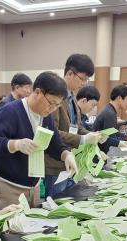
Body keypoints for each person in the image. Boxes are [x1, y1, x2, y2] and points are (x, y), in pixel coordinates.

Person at [0, 71, 78, 209]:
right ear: (37, 92)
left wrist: (66, 155)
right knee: (11, 227)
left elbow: (55, 144)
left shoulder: (45, 115)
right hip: (9, 185)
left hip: (33, 185)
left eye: (57, 106)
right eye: (51, 103)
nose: (52, 109)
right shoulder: (10, 111)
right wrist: (15, 144)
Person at [45, 53, 106, 198]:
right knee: (57, 205)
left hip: (70, 161)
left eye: (86, 80)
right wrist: (83, 140)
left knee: (68, 199)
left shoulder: (72, 97)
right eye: (82, 79)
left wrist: (93, 136)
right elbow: (53, 132)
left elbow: (77, 127)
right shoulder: (55, 97)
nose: (84, 83)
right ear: (70, 74)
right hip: (55, 163)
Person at [93, 85, 127, 154]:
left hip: (99, 151)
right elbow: (108, 138)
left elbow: (112, 132)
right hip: (96, 153)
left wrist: (125, 137)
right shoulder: (109, 113)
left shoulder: (110, 110)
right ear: (119, 98)